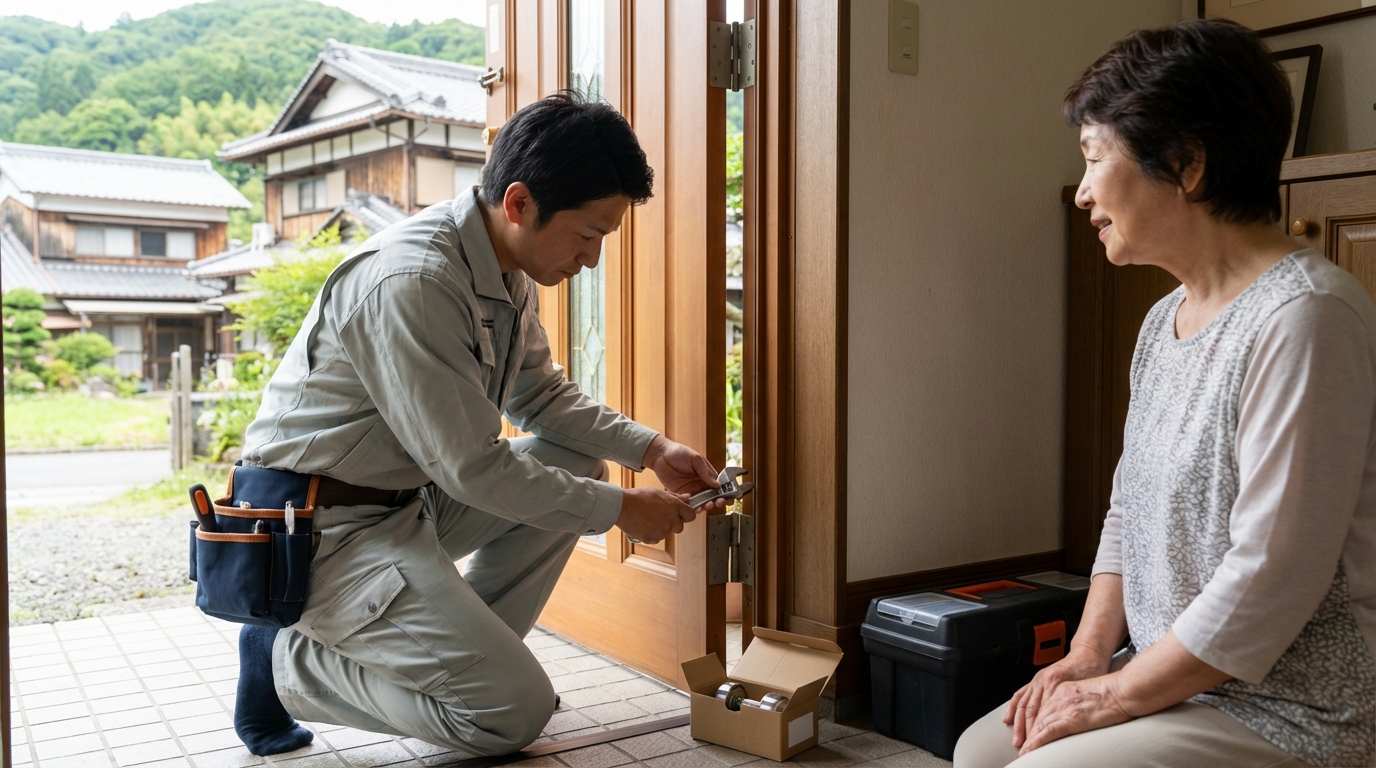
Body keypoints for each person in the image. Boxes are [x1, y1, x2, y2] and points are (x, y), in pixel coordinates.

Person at [228, 91, 729, 758]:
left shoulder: (502, 267)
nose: (591, 260)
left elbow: (540, 398)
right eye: (588, 235)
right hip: (322, 531)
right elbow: (472, 467)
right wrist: (619, 511)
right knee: (509, 718)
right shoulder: (414, 281)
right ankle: (288, 664)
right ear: (519, 204)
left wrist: (652, 448)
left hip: (403, 503)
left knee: (578, 463)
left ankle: (474, 672)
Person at [955, 19, 1376, 768]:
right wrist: (1087, 657)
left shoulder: (1306, 316)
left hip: (1295, 705)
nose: (1082, 191)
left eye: (1094, 158)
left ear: (1186, 165)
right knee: (981, 752)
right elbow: (1129, 510)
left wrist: (1114, 698)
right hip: (1178, 677)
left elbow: (1272, 576)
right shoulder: (1162, 320)